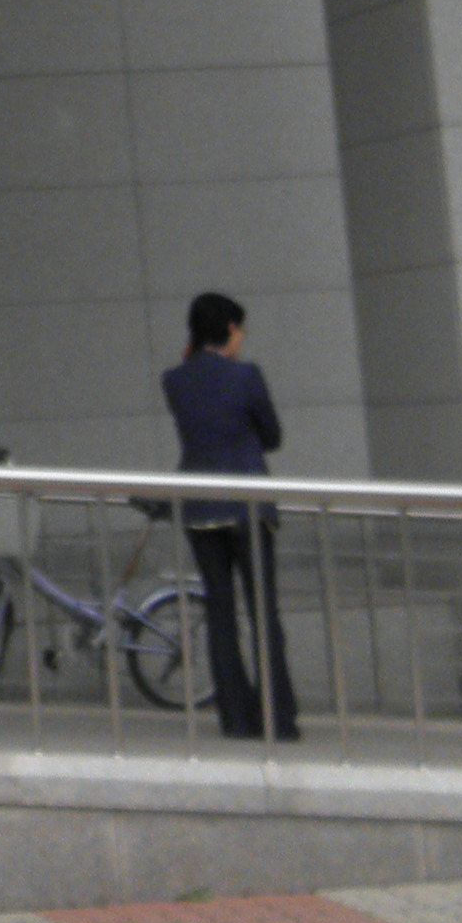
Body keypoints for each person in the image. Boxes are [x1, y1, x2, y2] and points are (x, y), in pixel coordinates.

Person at [161, 290, 301, 742]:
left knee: (220, 613)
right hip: (247, 503)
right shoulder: (246, 376)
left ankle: (236, 719)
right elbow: (272, 435)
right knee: (263, 612)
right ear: (230, 329)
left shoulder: (174, 380)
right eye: (240, 329)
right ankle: (277, 718)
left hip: (199, 505)